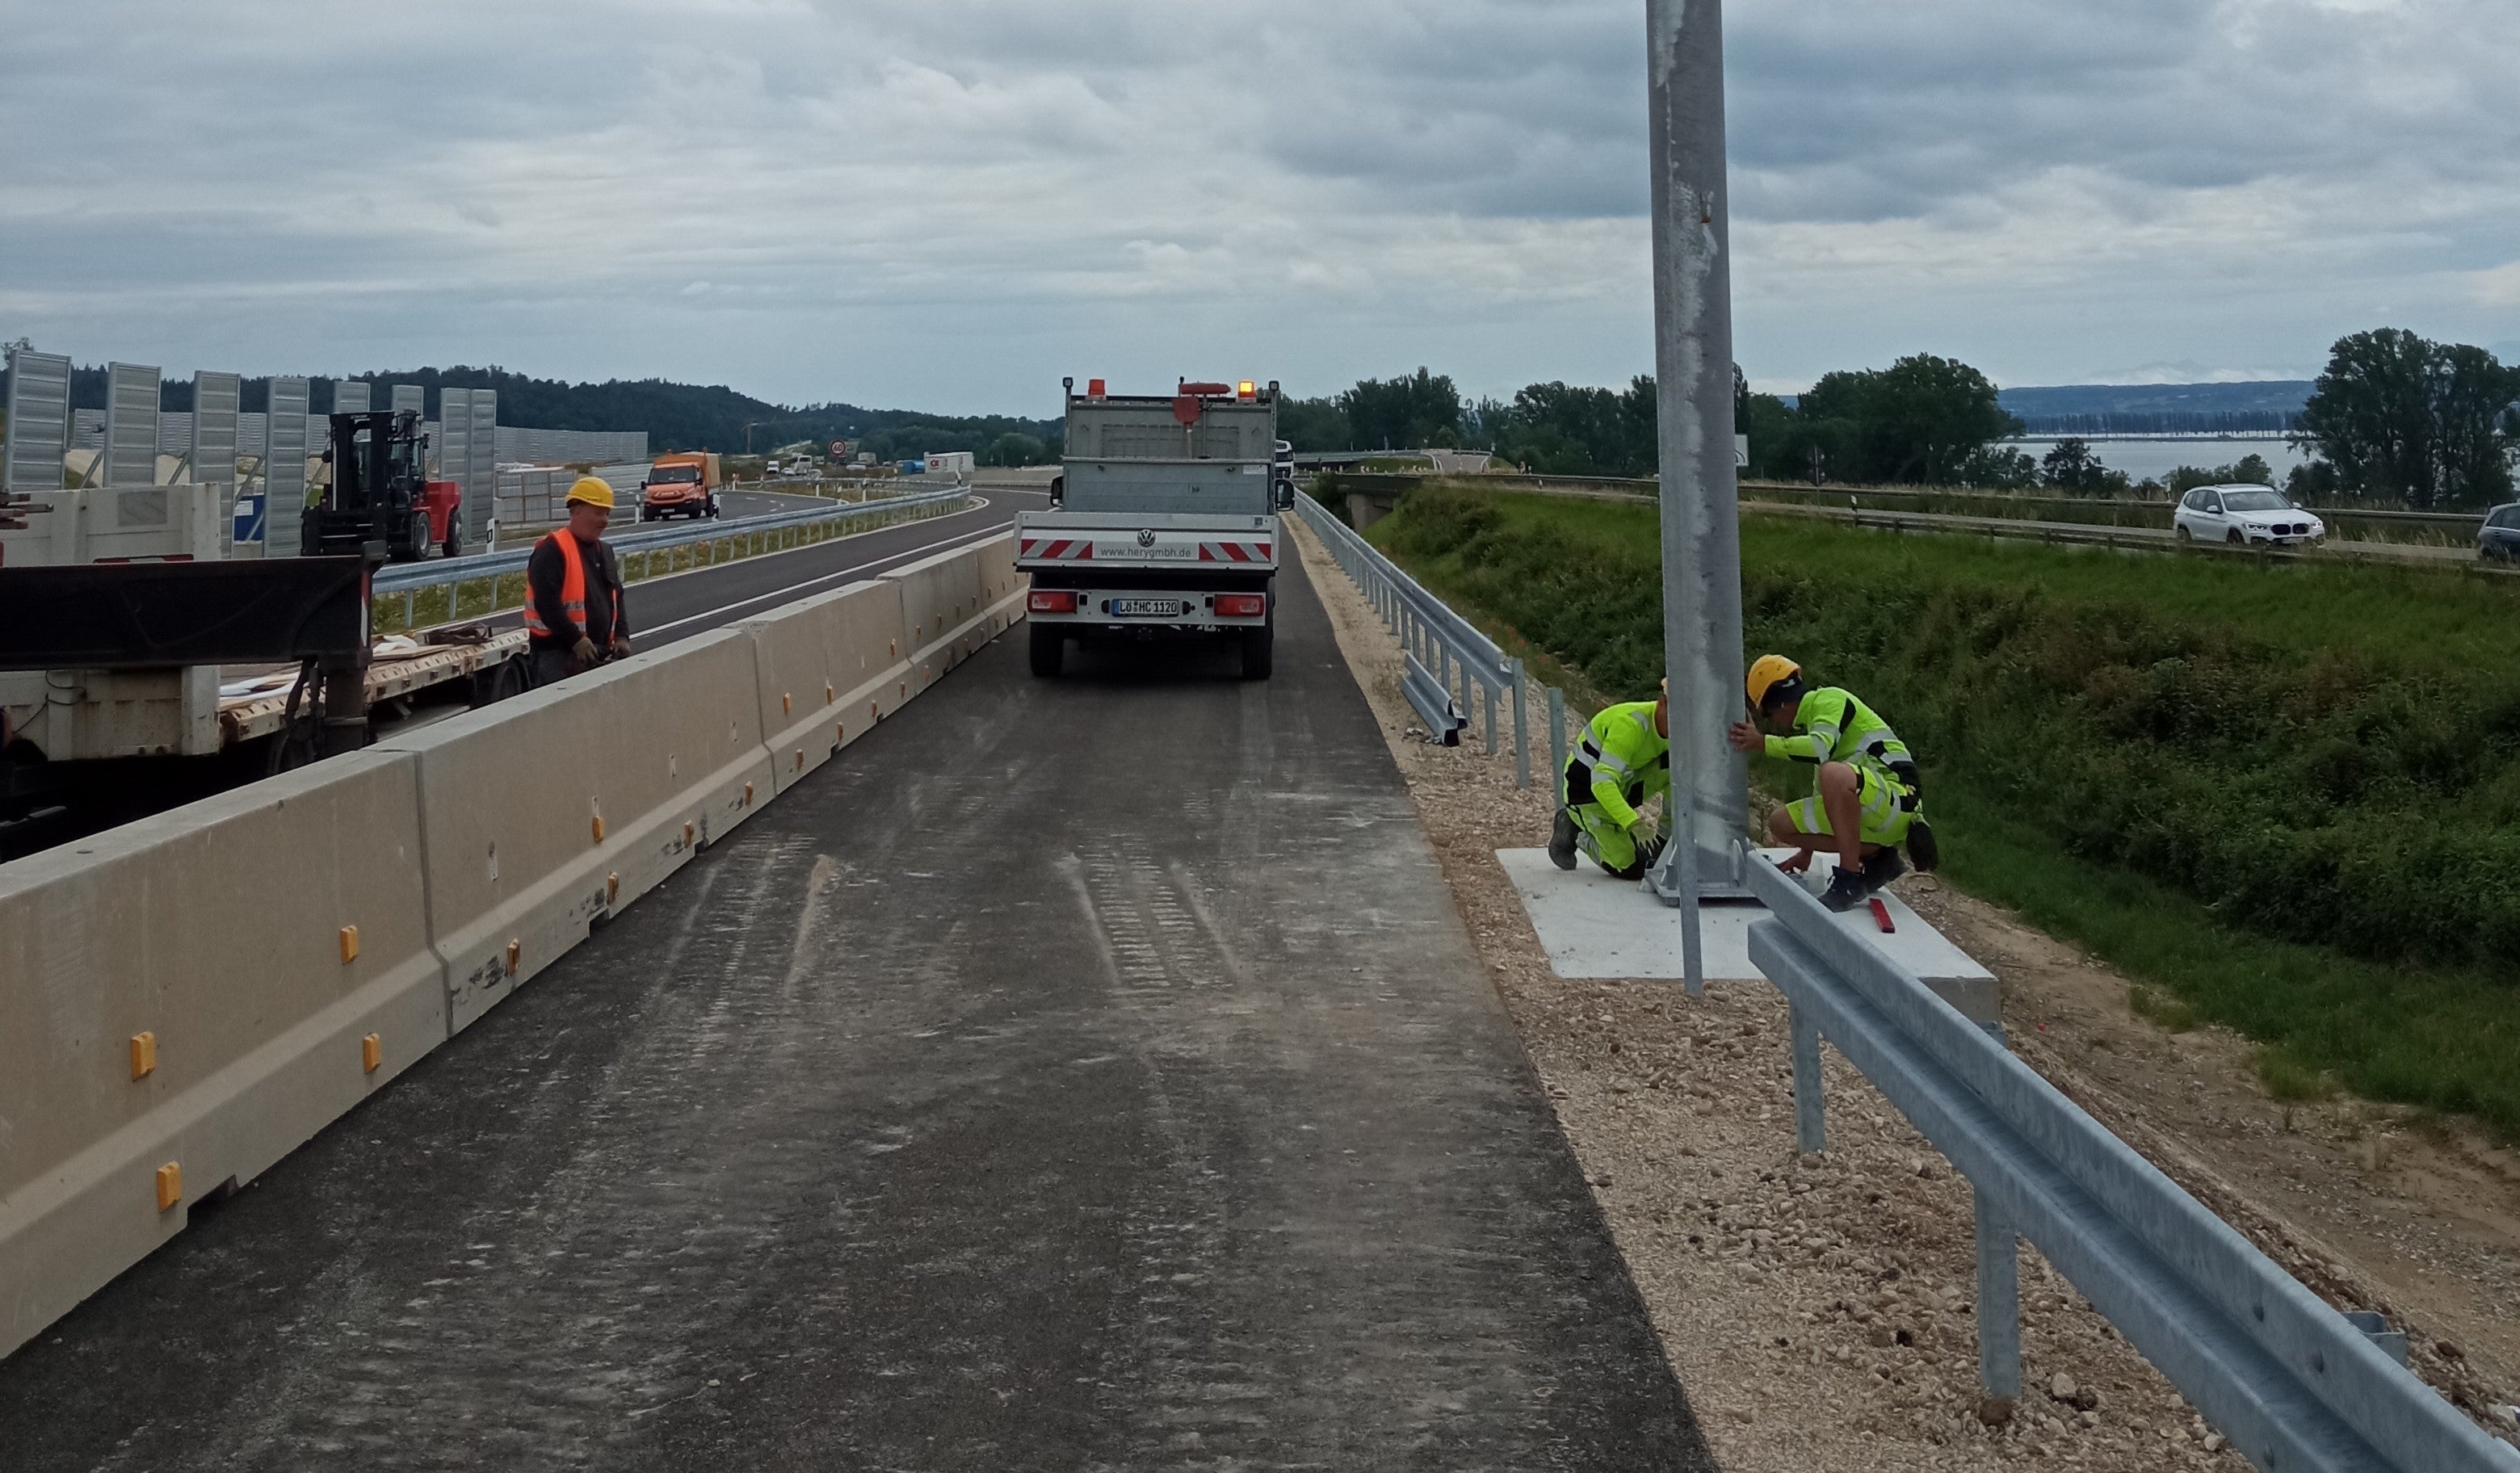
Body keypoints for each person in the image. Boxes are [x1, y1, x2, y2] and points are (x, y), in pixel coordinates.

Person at [1728, 655, 1938, 912]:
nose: (1772, 721)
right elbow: (1825, 793)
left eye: (1768, 714)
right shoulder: (1818, 724)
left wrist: (1764, 742)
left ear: (1779, 702)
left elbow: (1819, 750)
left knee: (1834, 774)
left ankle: (1848, 879)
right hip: (1874, 803)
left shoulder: (1829, 700)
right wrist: (1806, 853)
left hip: (1901, 798)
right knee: (1780, 823)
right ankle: (1877, 858)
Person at [1548, 682, 1671, 880]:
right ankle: (1575, 828)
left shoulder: (1679, 732)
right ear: (1662, 703)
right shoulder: (1630, 725)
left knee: (1677, 767)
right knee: (1631, 867)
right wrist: (1633, 824)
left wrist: (1668, 840)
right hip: (1586, 794)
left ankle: (1667, 838)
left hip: (1622, 784)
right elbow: (1602, 783)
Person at [524, 476, 632, 686]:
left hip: (595, 654)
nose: (605, 520)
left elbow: (616, 596)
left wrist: (622, 636)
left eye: (607, 513)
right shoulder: (553, 550)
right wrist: (576, 640)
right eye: (599, 512)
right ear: (576, 510)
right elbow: (547, 604)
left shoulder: (605, 552)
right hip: (555, 656)